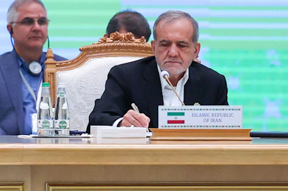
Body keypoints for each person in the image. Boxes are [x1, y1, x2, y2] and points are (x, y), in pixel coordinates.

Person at [88, 10, 229, 129]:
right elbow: (97, 120)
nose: (173, 52)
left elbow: (227, 131)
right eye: (165, 44)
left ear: (195, 50)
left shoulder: (213, 83)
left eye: (181, 45)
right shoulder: (126, 76)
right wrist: (121, 124)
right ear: (153, 47)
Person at [0, 0, 66, 135]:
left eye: (42, 21)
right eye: (28, 22)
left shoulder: (66, 68)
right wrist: (10, 146)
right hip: (9, 153)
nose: (36, 28)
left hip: (57, 151)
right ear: (10, 29)